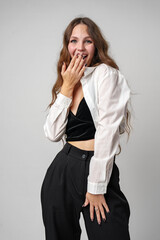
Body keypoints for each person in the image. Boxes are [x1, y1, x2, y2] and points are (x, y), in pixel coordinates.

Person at [41, 17, 132, 240]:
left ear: (96, 45)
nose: (79, 48)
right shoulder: (68, 80)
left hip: (97, 166)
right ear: (67, 46)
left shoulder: (106, 75)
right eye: (74, 41)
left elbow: (108, 131)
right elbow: (52, 133)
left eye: (87, 41)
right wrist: (67, 86)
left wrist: (97, 187)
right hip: (62, 170)